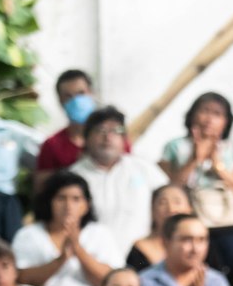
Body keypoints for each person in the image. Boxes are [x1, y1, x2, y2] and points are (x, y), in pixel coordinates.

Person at [13, 171, 120, 286]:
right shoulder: (29, 235)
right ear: (49, 202)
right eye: (61, 198)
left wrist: (77, 249)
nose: (68, 206)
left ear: (86, 205)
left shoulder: (100, 234)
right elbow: (21, 279)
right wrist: (61, 259)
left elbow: (110, 280)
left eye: (76, 199)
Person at [160, 92, 233, 282]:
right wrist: (194, 160)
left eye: (217, 114)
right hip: (191, 222)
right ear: (192, 115)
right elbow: (170, 188)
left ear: (226, 121)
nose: (209, 119)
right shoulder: (174, 147)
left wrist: (219, 167)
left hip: (228, 224)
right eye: (204, 111)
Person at [70, 106, 167, 256]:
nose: (108, 137)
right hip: (91, 260)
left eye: (116, 131)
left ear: (124, 139)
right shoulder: (74, 177)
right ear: (86, 138)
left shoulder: (143, 168)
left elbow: (169, 200)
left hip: (141, 259)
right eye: (100, 130)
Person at [35, 69, 127, 189]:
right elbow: (41, 189)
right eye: (68, 96)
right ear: (60, 100)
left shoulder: (114, 139)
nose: (76, 101)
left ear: (92, 93)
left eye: (81, 93)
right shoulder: (52, 145)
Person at [126, 184, 192, 272]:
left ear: (190, 209)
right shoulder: (141, 249)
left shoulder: (202, 245)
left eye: (177, 202)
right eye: (163, 203)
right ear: (152, 210)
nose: (171, 209)